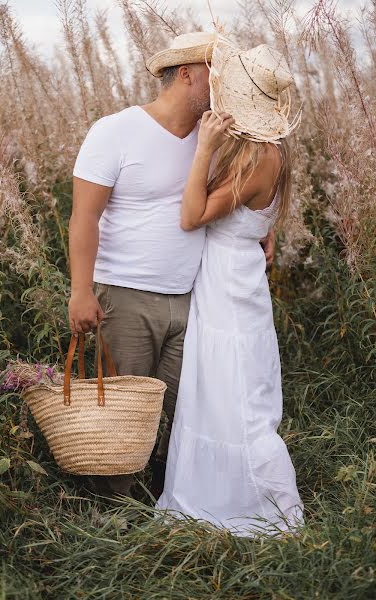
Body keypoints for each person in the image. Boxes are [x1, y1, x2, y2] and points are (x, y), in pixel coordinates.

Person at [68, 32, 275, 501]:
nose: (223, 85)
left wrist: (263, 227)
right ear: (186, 75)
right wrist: (81, 290)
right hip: (125, 294)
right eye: (214, 74)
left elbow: (238, 193)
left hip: (194, 297)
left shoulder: (217, 138)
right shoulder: (115, 131)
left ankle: (165, 498)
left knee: (183, 409)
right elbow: (84, 216)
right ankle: (110, 511)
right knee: (120, 410)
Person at [155, 36, 305, 537]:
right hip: (223, 285)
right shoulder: (263, 150)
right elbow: (254, 214)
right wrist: (266, 232)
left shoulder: (260, 157)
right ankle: (209, 497)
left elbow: (192, 216)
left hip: (231, 294)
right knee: (213, 393)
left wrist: (204, 148)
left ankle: (265, 507)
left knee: (239, 397)